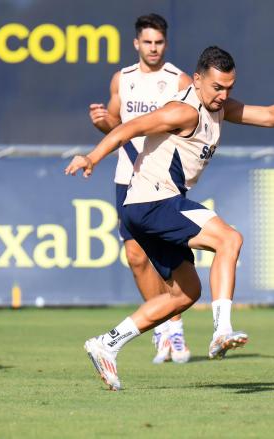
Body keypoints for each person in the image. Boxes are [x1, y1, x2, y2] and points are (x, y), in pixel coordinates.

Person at [66, 46, 274, 390]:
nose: (223, 95)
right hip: (151, 201)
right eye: (216, 87)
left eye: (229, 87)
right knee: (230, 239)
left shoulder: (219, 107)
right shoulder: (182, 111)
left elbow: (272, 116)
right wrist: (92, 158)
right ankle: (222, 330)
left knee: (185, 294)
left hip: (151, 205)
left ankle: (107, 343)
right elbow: (130, 128)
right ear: (198, 79)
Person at [88, 13, 194, 364]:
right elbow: (117, 127)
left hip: (159, 179)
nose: (153, 48)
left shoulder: (177, 80)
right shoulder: (123, 78)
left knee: (168, 258)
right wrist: (104, 122)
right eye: (147, 42)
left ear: (166, 43)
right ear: (136, 43)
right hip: (126, 177)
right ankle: (162, 330)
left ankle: (174, 328)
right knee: (135, 257)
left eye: (159, 42)